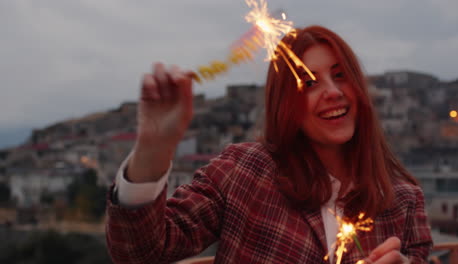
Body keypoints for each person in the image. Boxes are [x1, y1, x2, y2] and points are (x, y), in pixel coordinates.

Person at [106, 25, 433, 264]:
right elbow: (140, 252)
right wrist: (154, 146)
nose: (332, 91)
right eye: (308, 82)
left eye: (340, 75)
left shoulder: (403, 200)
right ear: (285, 103)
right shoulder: (245, 171)